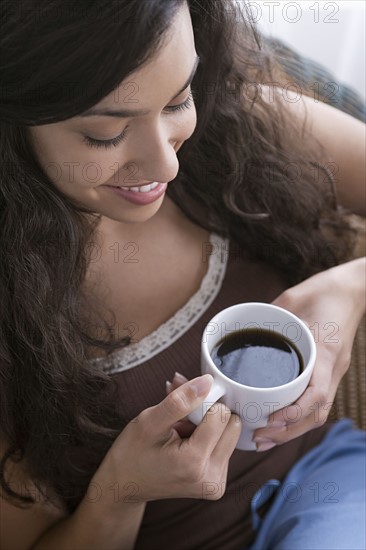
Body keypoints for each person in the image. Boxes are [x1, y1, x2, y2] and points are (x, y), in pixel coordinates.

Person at [0, 1, 365, 548]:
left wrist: (350, 288)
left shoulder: (243, 128)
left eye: (178, 99)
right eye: (105, 134)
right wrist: (122, 490)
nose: (166, 164)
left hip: (327, 488)